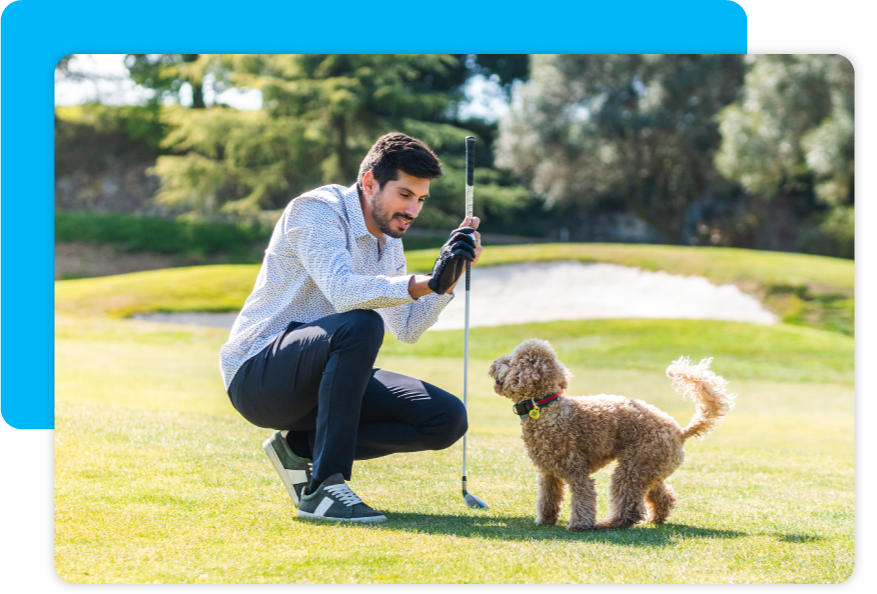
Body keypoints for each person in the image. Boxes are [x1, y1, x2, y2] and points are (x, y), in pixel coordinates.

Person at [220, 132, 483, 523]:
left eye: (420, 200)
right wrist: (427, 281)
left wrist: (448, 279)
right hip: (258, 377)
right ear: (370, 183)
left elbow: (409, 327)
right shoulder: (314, 210)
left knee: (445, 418)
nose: (413, 210)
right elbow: (343, 292)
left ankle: (301, 449)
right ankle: (325, 488)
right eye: (404, 194)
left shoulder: (389, 240)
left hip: (321, 380)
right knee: (360, 323)